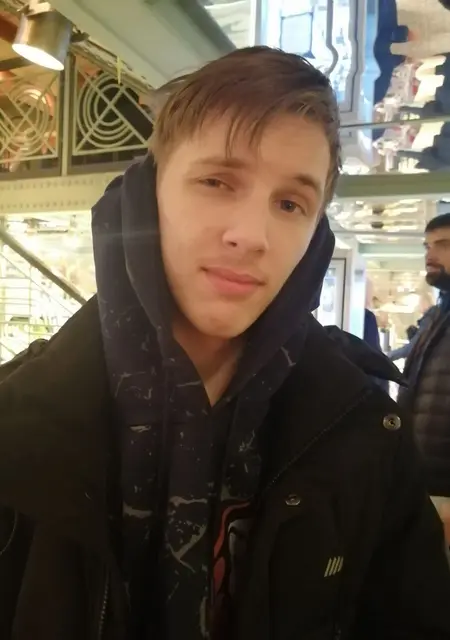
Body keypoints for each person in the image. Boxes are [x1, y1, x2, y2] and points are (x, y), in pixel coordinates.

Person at [0, 47, 449, 640]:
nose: (251, 235)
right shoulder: (19, 419)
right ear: (149, 195)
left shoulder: (365, 437)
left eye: (290, 204)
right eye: (216, 181)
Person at [398, 212, 450, 545]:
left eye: (443, 244)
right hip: (419, 483)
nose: (430, 254)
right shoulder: (438, 315)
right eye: (427, 246)